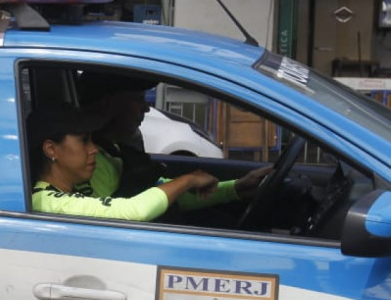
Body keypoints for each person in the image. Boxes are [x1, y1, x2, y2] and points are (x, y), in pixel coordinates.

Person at [76, 71, 271, 210]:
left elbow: (157, 192)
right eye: (138, 99)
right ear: (107, 104)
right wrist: (188, 180)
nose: (146, 108)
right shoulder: (88, 164)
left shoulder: (115, 149)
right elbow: (121, 212)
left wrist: (235, 189)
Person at [28, 104, 220, 221]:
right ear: (51, 149)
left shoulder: (65, 194)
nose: (94, 149)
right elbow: (135, 210)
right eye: (84, 140)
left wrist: (236, 189)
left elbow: (158, 199)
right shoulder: (47, 202)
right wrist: (189, 179)